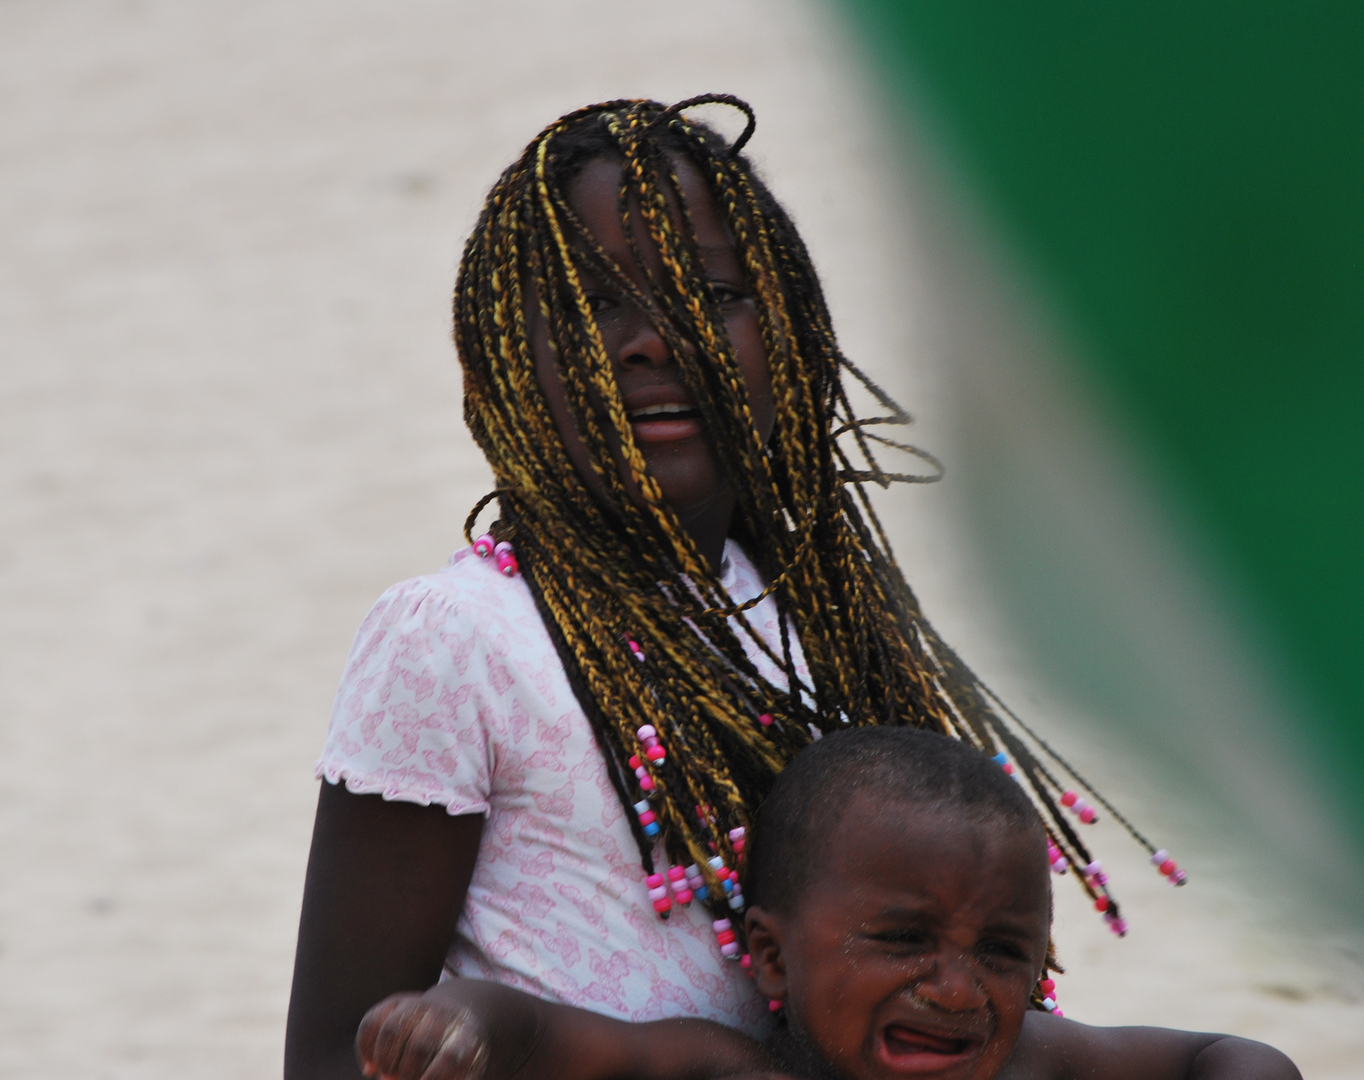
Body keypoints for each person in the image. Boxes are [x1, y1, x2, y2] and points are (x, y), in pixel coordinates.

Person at [285, 96, 1158, 1079]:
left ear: (779, 327)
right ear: (498, 357)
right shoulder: (454, 639)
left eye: (705, 292)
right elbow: (332, 1054)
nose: (652, 339)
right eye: (590, 303)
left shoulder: (804, 608)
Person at [354, 729, 1300, 1080]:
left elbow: (1227, 1057)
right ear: (768, 956)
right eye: (904, 940)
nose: (957, 989)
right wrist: (451, 1024)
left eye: (1004, 952)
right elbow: (531, 1035)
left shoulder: (1032, 1063)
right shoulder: (721, 1070)